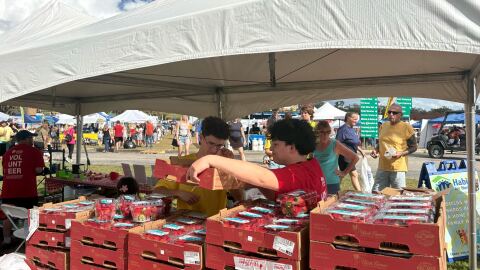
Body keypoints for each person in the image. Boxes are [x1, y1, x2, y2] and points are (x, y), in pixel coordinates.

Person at [187, 119, 327, 200]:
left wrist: (210, 159)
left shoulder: (298, 173)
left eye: (276, 144)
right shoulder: (311, 164)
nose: (271, 148)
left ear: (291, 147)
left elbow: (263, 177)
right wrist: (258, 184)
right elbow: (272, 192)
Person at [155, 116, 233, 216]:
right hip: (186, 222)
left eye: (219, 146)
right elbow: (157, 191)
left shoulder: (224, 163)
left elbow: (239, 197)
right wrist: (178, 193)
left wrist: (231, 166)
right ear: (201, 138)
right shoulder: (182, 162)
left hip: (214, 222)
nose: (214, 150)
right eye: (211, 143)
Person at [1, 130, 45, 248]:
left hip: (8, 191)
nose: (33, 140)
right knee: (31, 215)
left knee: (7, 216)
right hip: (27, 192)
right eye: (31, 138)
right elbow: (39, 170)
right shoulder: (34, 151)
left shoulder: (7, 153)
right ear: (26, 139)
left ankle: (6, 240)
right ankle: (31, 240)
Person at [371, 104, 417, 192]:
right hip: (383, 166)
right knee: (376, 193)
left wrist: (401, 153)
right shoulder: (383, 126)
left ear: (401, 115)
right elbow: (381, 142)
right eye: (389, 112)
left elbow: (414, 147)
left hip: (398, 168)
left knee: (398, 195)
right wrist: (376, 150)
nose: (391, 114)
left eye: (394, 112)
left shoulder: (406, 127)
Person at [313, 121, 359, 195]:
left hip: (331, 183)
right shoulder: (314, 144)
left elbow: (355, 158)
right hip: (316, 183)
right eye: (322, 132)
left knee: (330, 205)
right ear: (317, 133)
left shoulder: (334, 144)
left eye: (328, 132)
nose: (325, 135)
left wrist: (344, 172)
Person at [336, 112, 364, 191]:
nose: (356, 121)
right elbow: (337, 143)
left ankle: (333, 191)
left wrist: (360, 150)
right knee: (354, 174)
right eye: (354, 119)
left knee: (342, 175)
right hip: (345, 157)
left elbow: (352, 142)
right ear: (348, 118)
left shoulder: (351, 129)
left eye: (357, 119)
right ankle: (360, 192)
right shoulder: (343, 129)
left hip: (351, 157)